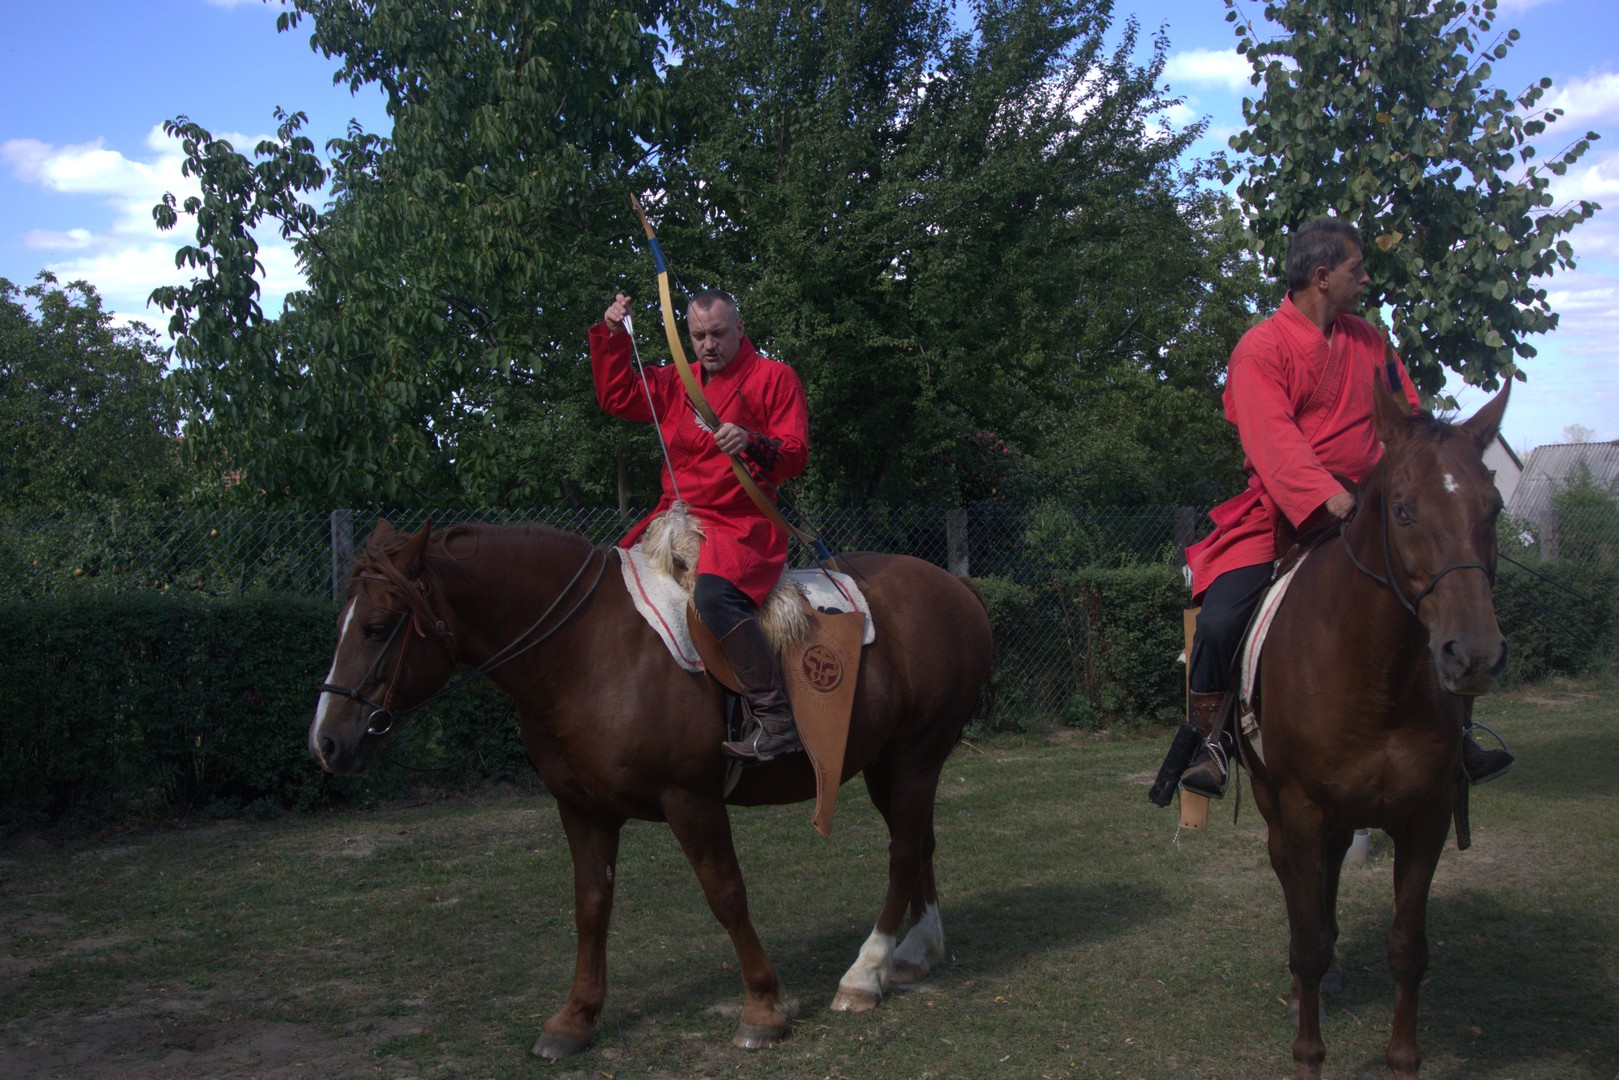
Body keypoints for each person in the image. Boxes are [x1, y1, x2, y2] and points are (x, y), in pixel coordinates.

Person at [1159, 217, 1514, 801]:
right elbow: (1272, 439)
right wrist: (1327, 495)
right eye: (1357, 268)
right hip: (1284, 511)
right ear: (1322, 276)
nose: (1366, 279)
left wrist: (1417, 484)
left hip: (1374, 507)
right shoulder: (1260, 349)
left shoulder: (1371, 342)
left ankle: (1459, 733)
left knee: (1452, 584)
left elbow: (1409, 423)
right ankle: (1212, 743)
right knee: (1220, 622)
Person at [591, 288, 810, 761]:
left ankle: (776, 718)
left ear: (739, 329)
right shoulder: (678, 381)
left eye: (717, 334)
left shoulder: (775, 377)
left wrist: (752, 441)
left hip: (742, 524)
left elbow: (795, 456)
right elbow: (616, 395)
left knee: (714, 595)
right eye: (697, 336)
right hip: (674, 519)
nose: (708, 344)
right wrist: (612, 334)